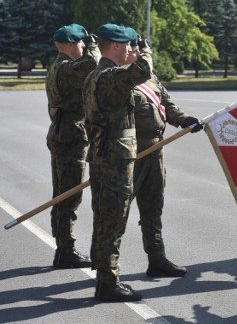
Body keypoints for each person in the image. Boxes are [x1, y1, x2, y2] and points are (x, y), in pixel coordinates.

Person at [83, 24, 152, 302]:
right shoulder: (110, 75)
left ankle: (104, 275)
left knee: (104, 216)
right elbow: (143, 71)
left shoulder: (93, 75)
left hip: (103, 153)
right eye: (128, 45)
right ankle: (108, 282)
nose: (131, 50)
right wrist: (146, 50)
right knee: (113, 219)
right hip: (114, 157)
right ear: (114, 46)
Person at [125, 36, 204, 278]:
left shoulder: (151, 79)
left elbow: (166, 106)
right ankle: (106, 265)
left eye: (140, 50)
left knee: (152, 208)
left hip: (154, 151)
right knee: (117, 212)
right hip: (130, 155)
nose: (137, 54)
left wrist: (184, 120)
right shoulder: (119, 78)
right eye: (133, 49)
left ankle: (156, 259)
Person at [46, 24, 100, 268]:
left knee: (63, 193)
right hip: (70, 138)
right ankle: (65, 249)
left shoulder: (60, 66)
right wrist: (94, 46)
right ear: (70, 44)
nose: (83, 46)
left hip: (65, 135)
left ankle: (63, 247)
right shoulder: (66, 68)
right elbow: (94, 65)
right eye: (80, 42)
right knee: (69, 194)